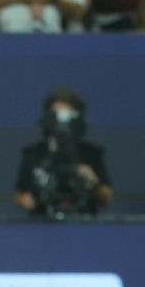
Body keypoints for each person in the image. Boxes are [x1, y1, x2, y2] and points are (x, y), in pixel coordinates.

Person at [13, 87, 113, 218]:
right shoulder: (33, 154)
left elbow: (107, 198)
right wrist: (24, 200)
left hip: (83, 224)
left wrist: (93, 182)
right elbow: (19, 193)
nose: (62, 125)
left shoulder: (91, 154)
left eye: (68, 116)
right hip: (42, 224)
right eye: (57, 115)